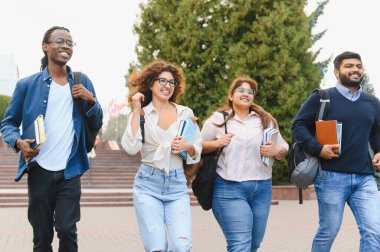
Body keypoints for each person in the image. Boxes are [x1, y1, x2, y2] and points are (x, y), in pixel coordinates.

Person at [0, 26, 103, 252]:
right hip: (39, 170)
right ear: (45, 47)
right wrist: (18, 142)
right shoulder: (26, 85)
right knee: (42, 236)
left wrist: (92, 100)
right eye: (59, 41)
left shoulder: (81, 81)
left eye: (70, 42)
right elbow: (7, 124)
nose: (66, 45)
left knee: (67, 230)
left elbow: (97, 122)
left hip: (70, 170)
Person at [292, 51, 380, 251]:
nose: (355, 69)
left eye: (358, 66)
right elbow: (298, 126)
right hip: (331, 176)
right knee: (328, 231)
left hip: (365, 178)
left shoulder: (372, 102)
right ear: (336, 71)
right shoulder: (322, 97)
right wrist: (318, 148)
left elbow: (376, 132)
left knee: (374, 231)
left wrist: (378, 150)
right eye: (349, 66)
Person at [121, 60, 202, 252]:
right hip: (148, 184)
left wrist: (188, 146)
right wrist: (136, 109)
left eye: (171, 82)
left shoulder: (185, 113)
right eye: (162, 81)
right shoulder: (142, 114)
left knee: (182, 246)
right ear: (151, 83)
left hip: (177, 185)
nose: (167, 86)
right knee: (156, 247)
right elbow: (131, 147)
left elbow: (196, 151)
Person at [201, 76, 288, 252]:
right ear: (231, 96)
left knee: (253, 244)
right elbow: (197, 145)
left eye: (250, 91)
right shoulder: (219, 119)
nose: (246, 94)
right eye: (241, 90)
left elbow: (283, 145)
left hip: (262, 189)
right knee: (240, 244)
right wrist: (217, 143)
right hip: (229, 188)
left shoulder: (265, 120)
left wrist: (276, 151)